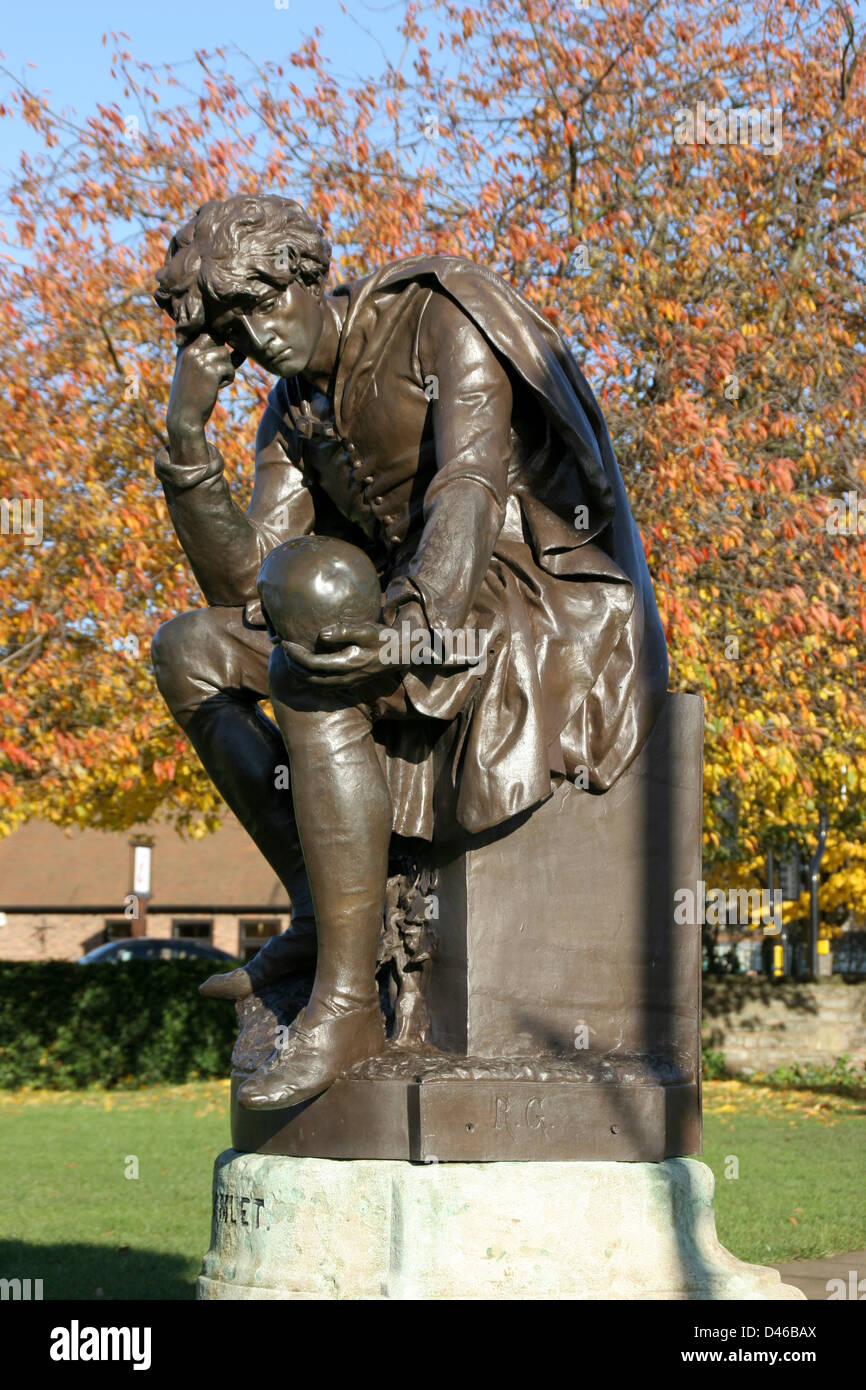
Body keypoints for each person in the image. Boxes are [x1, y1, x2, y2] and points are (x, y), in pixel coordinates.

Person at [150, 194, 668, 1108]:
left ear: (312, 277)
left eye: (266, 304)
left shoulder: (438, 311)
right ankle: (320, 916)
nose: (260, 337)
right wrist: (188, 446)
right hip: (407, 601)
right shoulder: (292, 413)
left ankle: (348, 1002)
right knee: (190, 649)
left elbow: (468, 483)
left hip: (525, 596)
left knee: (312, 664)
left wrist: (412, 628)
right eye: (234, 327)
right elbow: (250, 592)